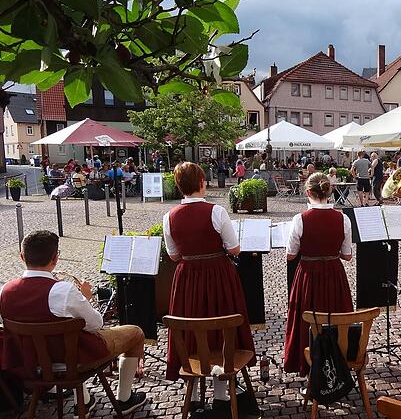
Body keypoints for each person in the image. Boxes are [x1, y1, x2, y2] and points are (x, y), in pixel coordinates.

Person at [0, 231, 147, 414]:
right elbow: (96, 324)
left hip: (31, 363)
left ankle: (85, 400)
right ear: (55, 258)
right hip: (72, 360)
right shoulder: (63, 291)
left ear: (22, 257)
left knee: (64, 340)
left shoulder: (5, 290)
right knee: (135, 332)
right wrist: (86, 297)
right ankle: (124, 398)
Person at [162, 162, 255, 408]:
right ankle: (221, 395)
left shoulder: (168, 217)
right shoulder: (216, 212)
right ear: (202, 183)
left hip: (187, 278)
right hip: (218, 275)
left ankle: (192, 397)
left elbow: (173, 255)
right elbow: (234, 248)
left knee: (189, 327)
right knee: (221, 325)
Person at [284, 173, 354, 377]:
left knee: (307, 320)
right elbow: (347, 255)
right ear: (329, 192)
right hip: (334, 274)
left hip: (308, 276)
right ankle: (336, 362)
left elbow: (290, 255)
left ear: (308, 192)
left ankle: (308, 364)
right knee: (335, 316)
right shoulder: (343, 218)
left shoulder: (300, 219)